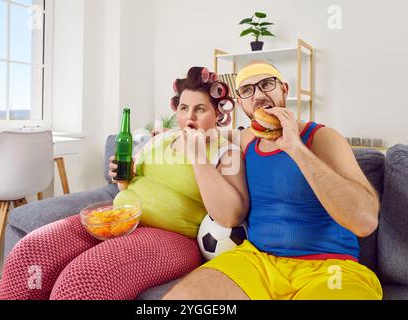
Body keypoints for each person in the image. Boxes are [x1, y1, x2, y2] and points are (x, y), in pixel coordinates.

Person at [0, 66, 249, 300]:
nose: (189, 117)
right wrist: (122, 177)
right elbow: (126, 186)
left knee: (82, 282)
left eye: (200, 109)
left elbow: (230, 216)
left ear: (218, 113)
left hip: (170, 236)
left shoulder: (225, 152)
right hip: (116, 218)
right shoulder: (160, 140)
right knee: (29, 253)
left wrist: (196, 156)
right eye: (183, 108)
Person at [163, 61, 383, 300]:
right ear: (240, 102)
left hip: (331, 268)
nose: (258, 95)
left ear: (284, 90)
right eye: (247, 90)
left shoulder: (322, 138)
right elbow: (199, 132)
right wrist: (144, 150)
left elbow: (365, 222)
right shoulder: (245, 140)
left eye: (267, 84)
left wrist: (296, 148)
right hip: (256, 262)